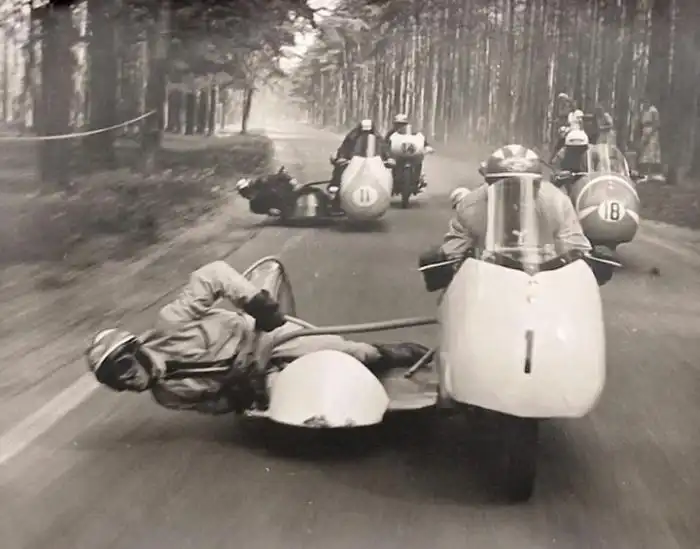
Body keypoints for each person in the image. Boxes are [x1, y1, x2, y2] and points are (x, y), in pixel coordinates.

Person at [86, 260, 429, 415]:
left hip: (264, 337)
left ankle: (391, 353)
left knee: (349, 354)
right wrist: (236, 398)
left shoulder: (170, 323)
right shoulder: (168, 396)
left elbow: (214, 274)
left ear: (135, 349)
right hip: (254, 378)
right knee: (301, 410)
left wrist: (255, 304)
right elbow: (212, 406)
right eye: (114, 380)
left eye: (123, 366)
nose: (126, 379)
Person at [418, 144, 616, 291]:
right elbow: (452, 253)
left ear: (538, 186)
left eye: (526, 186)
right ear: (490, 185)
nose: (517, 194)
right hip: (486, 291)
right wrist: (442, 263)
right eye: (506, 187)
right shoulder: (472, 208)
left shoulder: (555, 204)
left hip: (545, 292)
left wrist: (590, 263)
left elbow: (575, 248)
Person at [329, 119, 390, 190]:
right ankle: (335, 185)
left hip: (373, 166)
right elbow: (344, 148)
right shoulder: (351, 138)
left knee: (386, 172)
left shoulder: (378, 139)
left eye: (368, 131)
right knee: (341, 168)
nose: (366, 133)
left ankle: (388, 189)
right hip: (353, 165)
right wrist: (342, 157)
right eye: (364, 131)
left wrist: (389, 158)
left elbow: (385, 149)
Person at [385, 113, 434, 191]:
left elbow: (420, 139)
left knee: (419, 161)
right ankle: (390, 182)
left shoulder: (413, 132)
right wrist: (386, 152)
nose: (399, 126)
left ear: (406, 124)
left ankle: (420, 178)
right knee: (389, 165)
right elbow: (385, 143)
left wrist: (426, 146)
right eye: (398, 124)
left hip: (412, 154)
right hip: (398, 155)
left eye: (402, 124)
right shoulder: (391, 133)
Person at [636, 100, 661, 177]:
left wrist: (650, 134)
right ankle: (644, 171)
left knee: (651, 152)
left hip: (651, 131)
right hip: (645, 130)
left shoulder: (653, 110)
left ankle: (651, 172)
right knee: (643, 152)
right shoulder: (643, 110)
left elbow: (656, 123)